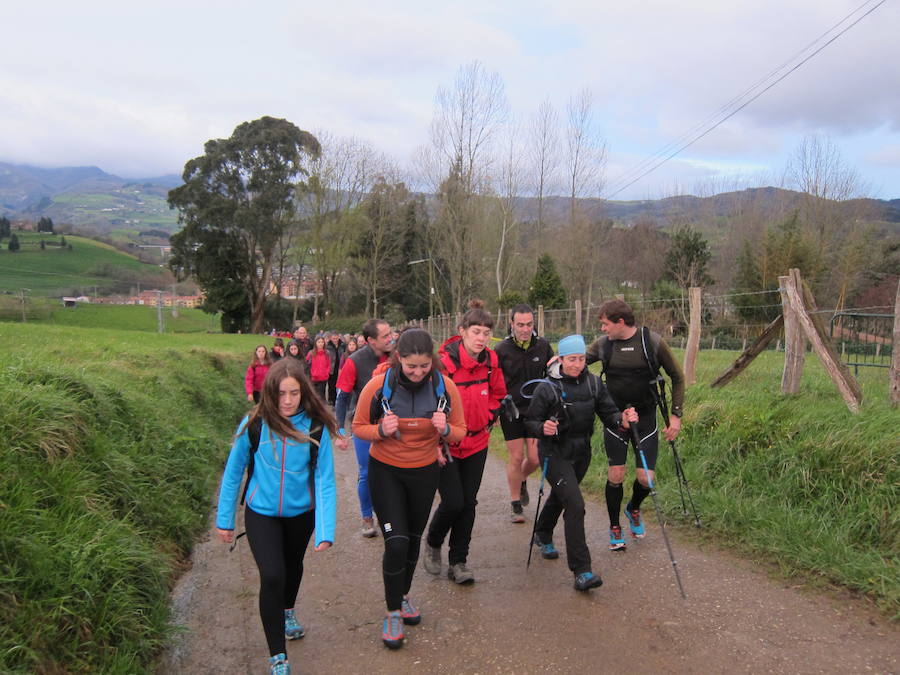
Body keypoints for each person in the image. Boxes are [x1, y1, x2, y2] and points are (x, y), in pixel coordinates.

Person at [215, 358, 339, 675]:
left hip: (302, 514)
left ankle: (287, 611)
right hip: (262, 513)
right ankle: (278, 657)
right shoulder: (254, 425)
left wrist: (326, 529)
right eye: (281, 393)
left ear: (304, 392)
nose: (287, 401)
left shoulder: (315, 427)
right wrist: (225, 520)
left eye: (294, 393)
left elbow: (325, 479)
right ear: (270, 392)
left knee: (292, 566)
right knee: (272, 575)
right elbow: (233, 475)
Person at [352, 328, 466, 649]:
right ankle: (391, 613)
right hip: (385, 471)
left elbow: (461, 431)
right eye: (411, 366)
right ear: (398, 358)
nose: (418, 373)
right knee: (397, 542)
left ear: (433, 361)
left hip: (424, 472)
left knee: (414, 540)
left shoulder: (445, 388)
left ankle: (402, 596)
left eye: (424, 366)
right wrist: (380, 430)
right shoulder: (378, 387)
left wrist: (445, 429)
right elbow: (358, 427)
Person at [525, 334, 638, 591]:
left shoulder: (594, 384)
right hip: (554, 452)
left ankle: (542, 533)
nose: (577, 364)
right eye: (571, 359)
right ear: (561, 359)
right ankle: (582, 571)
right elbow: (530, 422)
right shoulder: (547, 387)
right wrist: (543, 427)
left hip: (581, 453)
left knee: (564, 496)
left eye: (580, 359)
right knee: (575, 504)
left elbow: (609, 414)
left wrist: (623, 419)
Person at [585, 299, 685, 551]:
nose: (603, 330)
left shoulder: (651, 342)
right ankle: (614, 526)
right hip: (616, 418)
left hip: (646, 417)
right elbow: (576, 365)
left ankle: (634, 508)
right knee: (616, 473)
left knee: (645, 477)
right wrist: (556, 362)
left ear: (620, 322)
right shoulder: (603, 346)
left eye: (606, 324)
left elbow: (678, 377)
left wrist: (676, 416)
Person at [423, 300, 506, 584]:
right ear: (462, 332)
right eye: (476, 332)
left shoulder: (492, 362)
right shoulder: (443, 365)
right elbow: (428, 404)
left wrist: (490, 416)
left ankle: (459, 561)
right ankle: (433, 541)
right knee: (453, 501)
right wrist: (435, 443)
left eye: (486, 332)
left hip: (478, 442)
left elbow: (498, 393)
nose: (481, 338)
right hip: (447, 445)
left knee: (468, 503)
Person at [494, 303, 554, 524]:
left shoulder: (543, 346)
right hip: (511, 410)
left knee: (536, 458)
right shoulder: (501, 350)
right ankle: (515, 505)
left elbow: (552, 376)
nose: (525, 329)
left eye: (529, 324)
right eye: (520, 325)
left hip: (536, 410)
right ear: (512, 324)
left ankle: (520, 480)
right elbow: (494, 381)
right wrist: (496, 409)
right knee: (516, 457)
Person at [334, 318, 395, 537]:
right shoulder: (354, 361)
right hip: (365, 424)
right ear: (371, 341)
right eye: (385, 336)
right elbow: (342, 397)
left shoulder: (398, 356)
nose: (391, 338)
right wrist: (339, 429)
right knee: (367, 472)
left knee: (392, 472)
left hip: (393, 424)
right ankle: (367, 517)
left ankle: (389, 516)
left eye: (391, 334)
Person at [325, 332, 345, 406]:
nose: (335, 340)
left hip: (340, 367)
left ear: (338, 337)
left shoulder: (342, 345)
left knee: (339, 385)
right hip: (332, 368)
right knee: (331, 385)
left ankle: (338, 399)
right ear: (331, 338)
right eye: (333, 338)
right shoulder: (328, 346)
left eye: (336, 338)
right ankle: (331, 400)